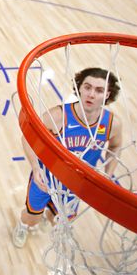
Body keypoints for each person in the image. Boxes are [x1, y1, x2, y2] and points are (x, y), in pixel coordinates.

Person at [13, 68, 123, 248]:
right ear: (79, 88)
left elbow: (116, 146)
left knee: (59, 219)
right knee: (33, 216)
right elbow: (27, 137)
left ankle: (47, 217)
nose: (91, 94)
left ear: (107, 94)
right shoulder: (58, 115)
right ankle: (23, 226)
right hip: (45, 179)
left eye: (99, 90)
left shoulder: (112, 123)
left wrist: (108, 173)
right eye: (87, 87)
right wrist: (35, 167)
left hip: (76, 185)